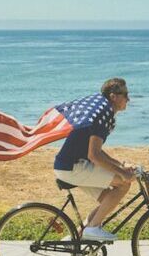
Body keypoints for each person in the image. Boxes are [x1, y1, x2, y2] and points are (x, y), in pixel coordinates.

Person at [53, 78, 134, 241]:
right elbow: (94, 156)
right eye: (125, 94)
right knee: (124, 183)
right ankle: (92, 229)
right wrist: (123, 173)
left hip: (71, 166)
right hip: (73, 167)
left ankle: (78, 237)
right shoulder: (102, 115)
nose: (128, 99)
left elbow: (97, 152)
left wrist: (120, 166)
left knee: (108, 200)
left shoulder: (101, 110)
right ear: (113, 96)